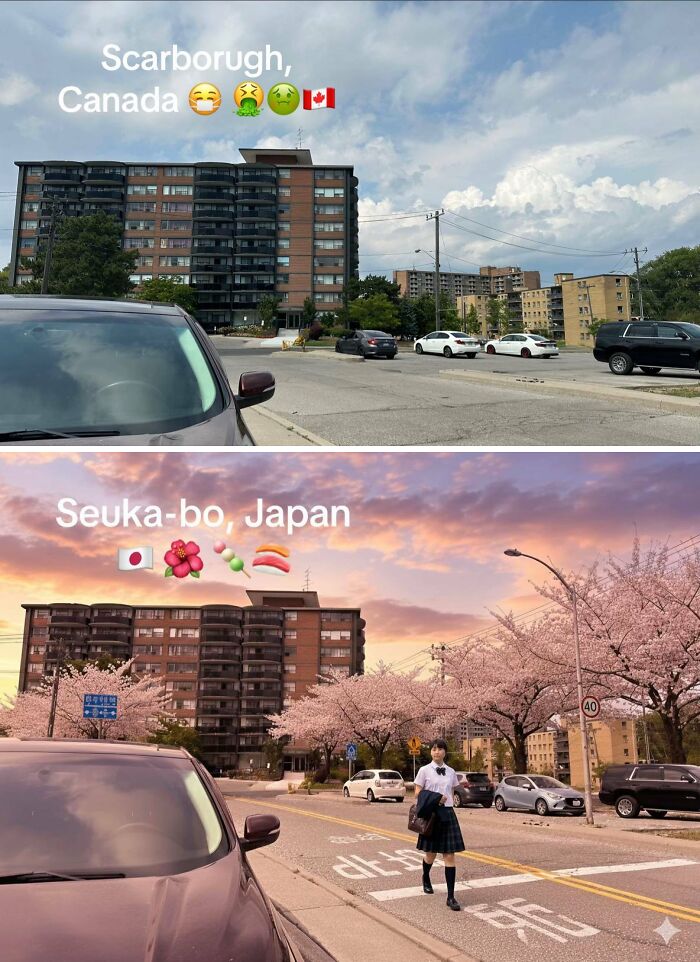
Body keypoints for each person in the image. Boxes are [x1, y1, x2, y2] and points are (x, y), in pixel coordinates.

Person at [414, 737, 464, 911]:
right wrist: (436, 798)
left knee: (449, 855)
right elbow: (418, 793)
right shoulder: (424, 770)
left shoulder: (451, 771)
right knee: (431, 854)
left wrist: (447, 802)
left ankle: (451, 897)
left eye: (440, 749)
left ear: (445, 752)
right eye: (434, 749)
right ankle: (426, 877)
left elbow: (452, 791)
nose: (437, 752)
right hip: (432, 814)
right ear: (431, 752)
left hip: (447, 814)